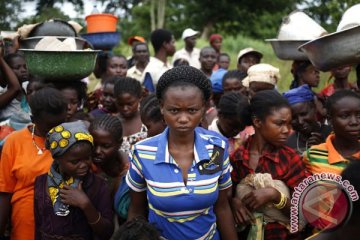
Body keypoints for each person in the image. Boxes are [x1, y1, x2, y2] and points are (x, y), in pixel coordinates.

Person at [126, 66, 238, 239]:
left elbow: (222, 207)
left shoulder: (217, 148)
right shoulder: (143, 152)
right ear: (162, 108)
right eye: (174, 110)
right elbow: (136, 210)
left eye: (192, 110)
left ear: (203, 109)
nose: (183, 119)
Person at [230, 90, 309, 240]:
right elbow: (224, 197)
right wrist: (234, 202)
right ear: (257, 121)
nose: (287, 130)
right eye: (279, 123)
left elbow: (305, 212)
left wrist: (275, 195)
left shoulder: (290, 159)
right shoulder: (237, 159)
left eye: (288, 124)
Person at [0, 87, 67, 240]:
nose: (56, 130)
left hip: (64, 226)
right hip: (26, 225)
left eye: (60, 123)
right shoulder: (14, 141)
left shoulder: (73, 139)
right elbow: (4, 192)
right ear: (33, 119)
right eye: (49, 126)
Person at [34, 121, 114, 239]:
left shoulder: (98, 186)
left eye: (87, 158)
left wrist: (85, 204)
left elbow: (106, 232)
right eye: (75, 162)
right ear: (57, 158)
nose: (83, 165)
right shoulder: (41, 183)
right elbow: (39, 227)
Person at [303, 90, 360, 175]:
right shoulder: (312, 155)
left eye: (359, 115)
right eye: (345, 116)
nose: (354, 122)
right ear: (330, 120)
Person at [283, 84, 332, 156]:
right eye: (293, 118)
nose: (300, 121)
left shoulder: (332, 135)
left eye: (303, 114)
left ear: (315, 108)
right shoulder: (288, 143)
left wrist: (323, 147)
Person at [89, 115, 128, 196]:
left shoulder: (128, 172)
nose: (97, 151)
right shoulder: (82, 168)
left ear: (119, 144)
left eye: (105, 146)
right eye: (93, 144)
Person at [114, 77, 147, 154]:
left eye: (130, 104)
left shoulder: (146, 120)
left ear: (140, 98)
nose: (125, 108)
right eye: (120, 104)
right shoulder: (111, 123)